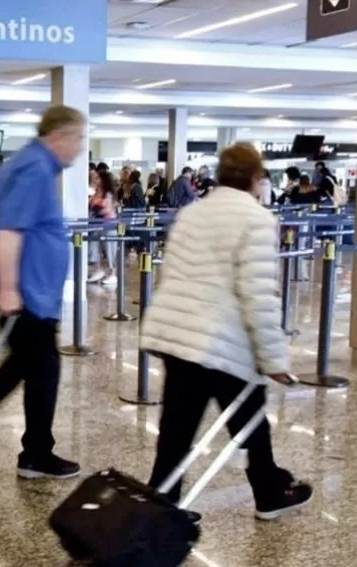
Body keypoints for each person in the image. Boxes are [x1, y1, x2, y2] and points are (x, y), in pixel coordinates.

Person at [140, 142, 313, 521]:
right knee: (251, 418)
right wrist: (273, 359)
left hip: (181, 338)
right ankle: (269, 493)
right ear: (255, 178)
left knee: (176, 432)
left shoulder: (192, 212)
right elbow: (257, 294)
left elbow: (171, 275)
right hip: (223, 342)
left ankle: (159, 509)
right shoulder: (256, 219)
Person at [0, 104, 87, 480]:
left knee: (21, 366)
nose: (80, 148)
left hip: (30, 292)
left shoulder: (25, 163)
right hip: (27, 293)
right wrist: (8, 289)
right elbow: (9, 230)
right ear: (61, 136)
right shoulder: (35, 169)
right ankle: (36, 454)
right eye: (79, 139)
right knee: (43, 367)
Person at [87, 169, 118, 286]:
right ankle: (98, 269)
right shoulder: (95, 193)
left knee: (109, 249)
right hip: (96, 225)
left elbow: (107, 209)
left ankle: (112, 272)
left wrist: (97, 209)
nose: (96, 179)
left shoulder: (107, 194)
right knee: (95, 247)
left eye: (98, 178)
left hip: (108, 225)